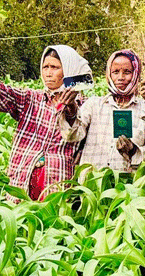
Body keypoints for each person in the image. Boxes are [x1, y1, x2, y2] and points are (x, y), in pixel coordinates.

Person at [0, 45, 92, 199]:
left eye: (54, 67)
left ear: (69, 70)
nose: (48, 73)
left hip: (57, 187)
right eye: (45, 67)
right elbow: (4, 94)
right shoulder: (30, 99)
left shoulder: (86, 106)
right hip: (22, 184)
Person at [60, 48, 145, 173]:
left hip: (128, 188)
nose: (120, 77)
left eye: (127, 72)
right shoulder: (94, 105)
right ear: (109, 74)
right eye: (115, 72)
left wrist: (133, 150)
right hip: (92, 184)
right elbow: (73, 135)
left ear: (136, 74)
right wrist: (71, 110)